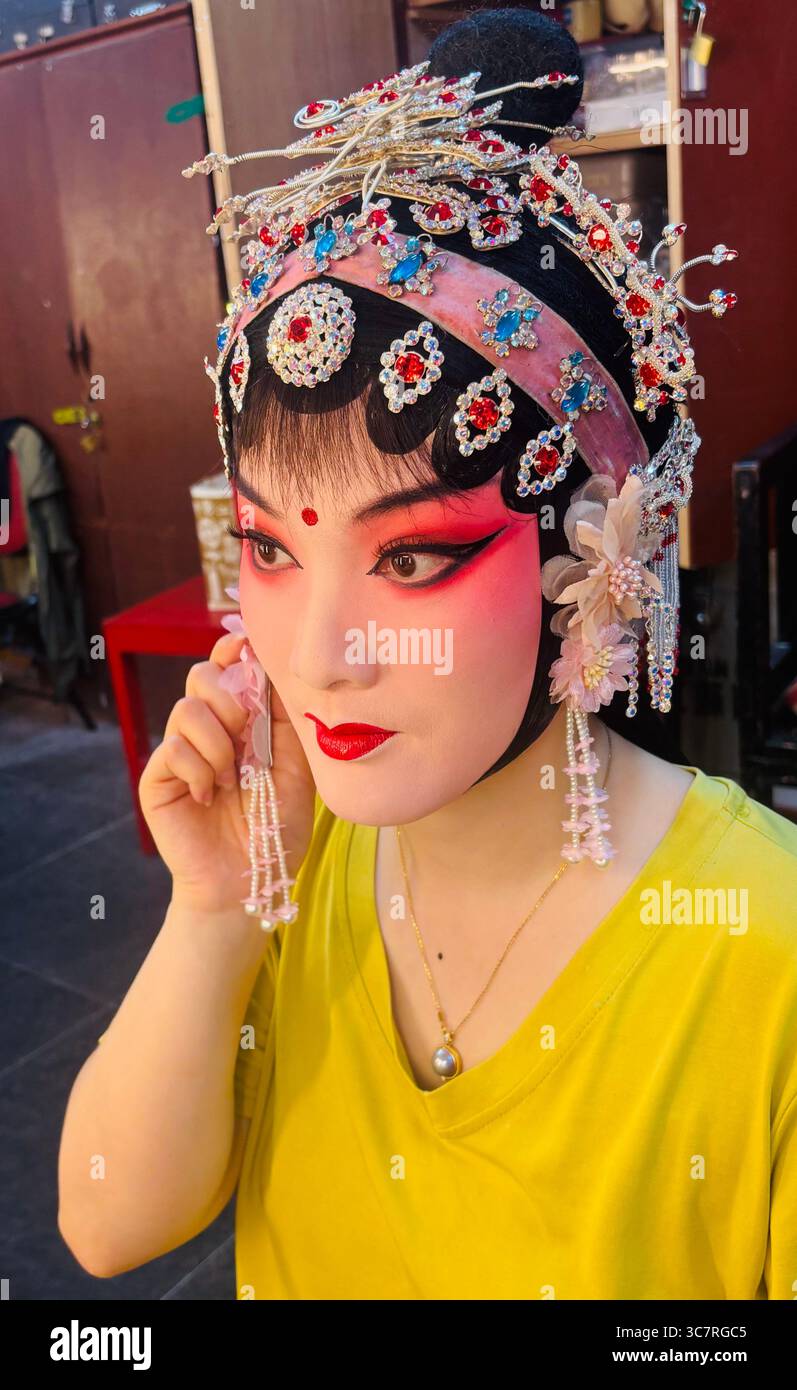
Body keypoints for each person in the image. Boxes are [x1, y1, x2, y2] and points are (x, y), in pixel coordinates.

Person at [57, 9, 797, 1300]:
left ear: (599, 551)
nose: (321, 655)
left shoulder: (764, 954)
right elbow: (107, 1226)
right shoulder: (297, 853)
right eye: (274, 550)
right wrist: (216, 910)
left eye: (410, 558)